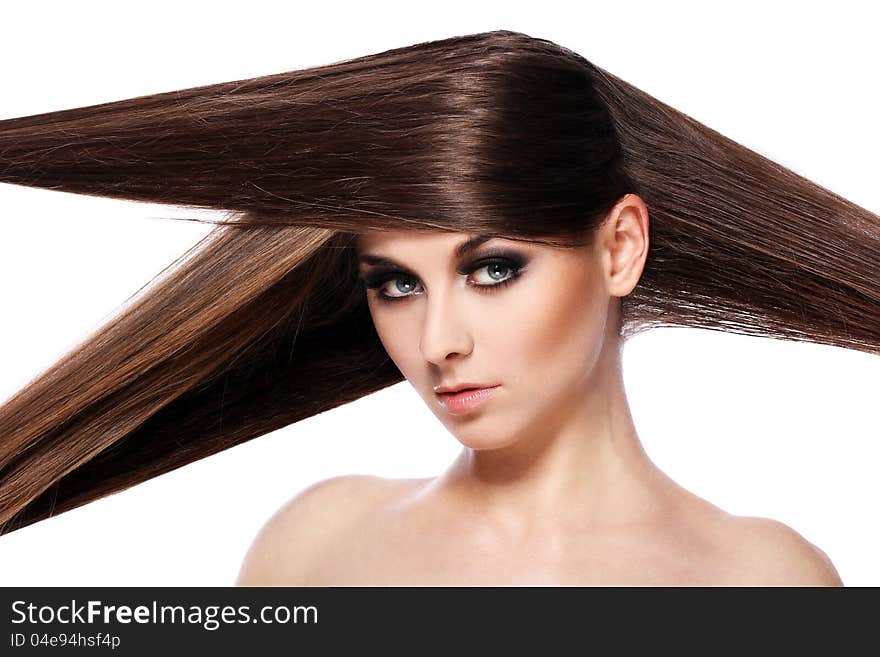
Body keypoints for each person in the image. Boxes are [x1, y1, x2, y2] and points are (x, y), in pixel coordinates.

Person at [0, 30, 874, 585]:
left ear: (621, 247)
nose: (438, 342)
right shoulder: (316, 543)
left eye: (493, 269)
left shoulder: (763, 582)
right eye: (396, 283)